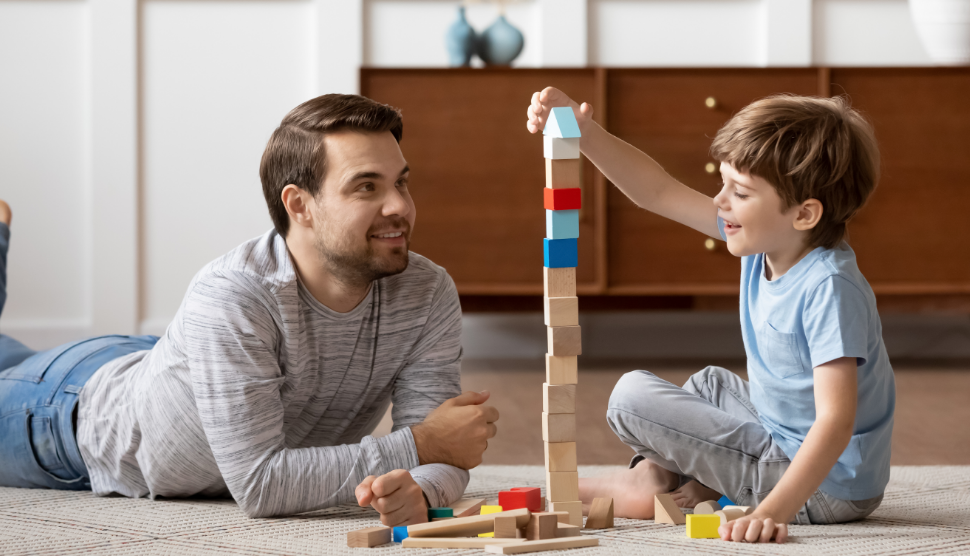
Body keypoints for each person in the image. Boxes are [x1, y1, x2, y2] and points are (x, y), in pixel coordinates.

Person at [0, 94, 499, 525]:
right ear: (299, 205)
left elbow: (445, 444)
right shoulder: (233, 294)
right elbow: (261, 484)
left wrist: (423, 490)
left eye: (402, 182)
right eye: (367, 186)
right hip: (63, 413)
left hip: (175, 367)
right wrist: (418, 447)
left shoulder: (426, 289)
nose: (400, 206)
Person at [526, 90, 894, 543]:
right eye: (723, 184)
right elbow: (656, 191)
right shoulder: (769, 239)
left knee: (629, 398)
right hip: (783, 437)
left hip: (829, 489)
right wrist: (587, 135)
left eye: (739, 193)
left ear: (804, 213)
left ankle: (664, 481)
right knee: (710, 384)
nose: (719, 201)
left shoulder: (829, 288)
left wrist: (774, 510)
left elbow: (836, 422)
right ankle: (661, 479)